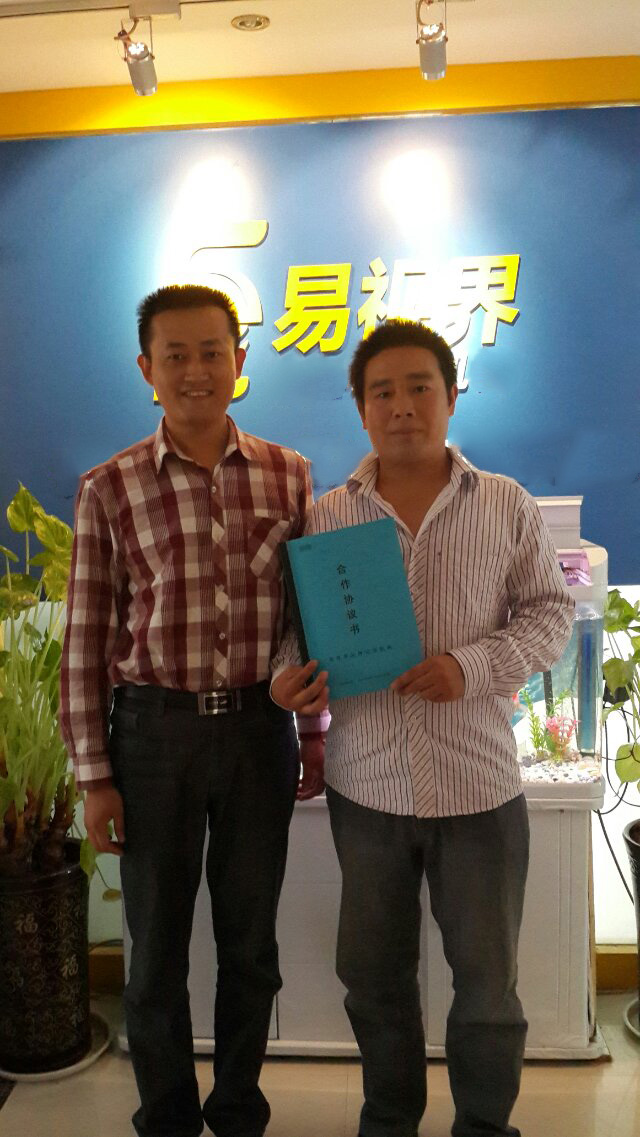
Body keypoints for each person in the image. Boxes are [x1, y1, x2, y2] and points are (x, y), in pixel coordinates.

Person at [271, 319, 574, 1137]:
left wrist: (468, 667)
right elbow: (297, 634)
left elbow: (549, 615)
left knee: (487, 986)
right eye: (382, 392)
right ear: (361, 408)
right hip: (366, 788)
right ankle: (388, 1118)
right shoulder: (327, 516)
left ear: (450, 396)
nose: (401, 405)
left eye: (418, 388)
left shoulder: (504, 502)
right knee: (372, 977)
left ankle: (484, 1125)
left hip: (480, 789)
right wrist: (288, 681)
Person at [60, 284, 323, 1137]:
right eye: (175, 355)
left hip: (256, 732)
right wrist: (94, 777)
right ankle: (167, 1116)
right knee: (155, 950)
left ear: (240, 360)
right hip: (151, 737)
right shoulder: (108, 487)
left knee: (250, 945)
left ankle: (239, 1109)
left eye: (213, 352)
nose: (196, 370)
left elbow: (304, 620)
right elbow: (85, 640)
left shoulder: (289, 474)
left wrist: (310, 729)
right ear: (148, 369)